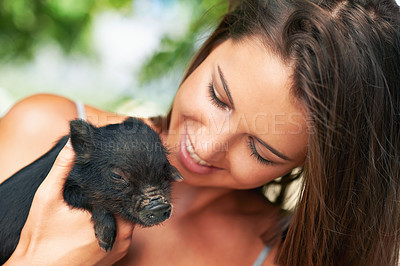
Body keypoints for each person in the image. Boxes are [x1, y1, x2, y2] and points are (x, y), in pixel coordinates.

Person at [1, 0, 399, 265]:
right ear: (212, 46)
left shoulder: (273, 258)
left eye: (261, 151)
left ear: (311, 166)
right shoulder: (44, 127)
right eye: (218, 97)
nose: (205, 149)